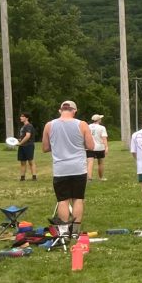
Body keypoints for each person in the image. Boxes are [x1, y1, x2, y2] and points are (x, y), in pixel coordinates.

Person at [41, 100, 95, 238]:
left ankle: (64, 232)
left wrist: (59, 144)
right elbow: (91, 146)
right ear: (74, 111)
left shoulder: (49, 125)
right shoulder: (82, 124)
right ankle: (75, 231)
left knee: (62, 200)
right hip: (78, 168)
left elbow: (45, 148)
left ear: (60, 110)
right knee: (78, 198)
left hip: (60, 168)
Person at [86, 113, 109, 181]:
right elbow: (104, 138)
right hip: (99, 147)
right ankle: (101, 177)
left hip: (90, 146)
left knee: (90, 162)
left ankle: (89, 178)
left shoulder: (88, 126)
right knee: (100, 162)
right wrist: (106, 147)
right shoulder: (102, 128)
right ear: (98, 120)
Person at [17, 112, 37, 181]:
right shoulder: (23, 127)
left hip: (28, 146)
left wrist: (20, 143)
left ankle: (34, 177)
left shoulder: (29, 126)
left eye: (22, 116)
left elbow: (28, 136)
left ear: (26, 118)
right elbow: (24, 137)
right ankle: (22, 178)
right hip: (22, 146)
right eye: (21, 116)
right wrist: (19, 140)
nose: (20, 117)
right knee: (22, 162)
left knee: (31, 161)